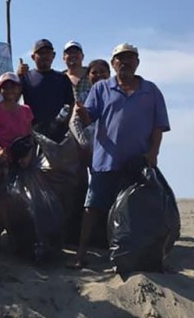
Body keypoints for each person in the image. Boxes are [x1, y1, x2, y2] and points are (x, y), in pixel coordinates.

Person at [72, 43, 170, 268]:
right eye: (120, 59)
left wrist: (153, 153)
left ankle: (143, 255)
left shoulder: (151, 90)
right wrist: (82, 113)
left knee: (140, 210)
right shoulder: (102, 88)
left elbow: (158, 125)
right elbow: (89, 119)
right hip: (105, 161)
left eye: (130, 58)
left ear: (137, 62)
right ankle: (80, 255)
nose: (125, 62)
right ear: (113, 63)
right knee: (93, 208)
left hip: (138, 163)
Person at [0, 72, 34, 192]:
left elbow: (30, 135)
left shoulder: (26, 110)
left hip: (23, 157)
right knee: (2, 194)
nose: (9, 90)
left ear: (18, 89)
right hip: (4, 158)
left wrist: (28, 155)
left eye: (12, 87)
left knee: (26, 193)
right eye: (5, 87)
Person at [16, 39, 74, 135]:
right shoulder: (26, 77)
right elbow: (14, 101)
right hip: (34, 133)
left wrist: (64, 124)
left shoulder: (62, 78)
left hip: (60, 134)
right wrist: (18, 77)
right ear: (33, 57)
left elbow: (71, 104)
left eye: (48, 53)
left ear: (53, 55)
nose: (44, 56)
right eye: (40, 53)